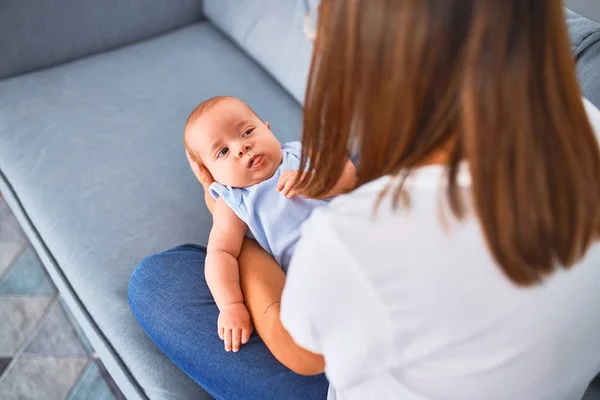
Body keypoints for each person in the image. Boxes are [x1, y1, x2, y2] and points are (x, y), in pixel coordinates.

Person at [129, 1, 600, 399]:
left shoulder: (354, 237)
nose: (315, 46)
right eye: (224, 152)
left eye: (321, 35)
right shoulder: (583, 120)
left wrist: (233, 225)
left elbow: (300, 354)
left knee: (157, 281)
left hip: (338, 336)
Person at [183, 95, 355, 354]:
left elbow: (349, 176)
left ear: (267, 128)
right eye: (223, 151)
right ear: (212, 175)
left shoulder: (299, 154)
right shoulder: (235, 201)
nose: (242, 147)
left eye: (247, 131)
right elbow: (221, 253)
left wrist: (317, 182)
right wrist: (231, 305)